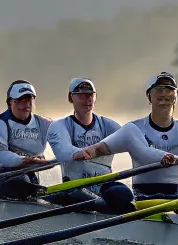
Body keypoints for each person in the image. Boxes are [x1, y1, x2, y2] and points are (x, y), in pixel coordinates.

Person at [74, 72, 178, 199]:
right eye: (158, 89)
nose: (164, 93)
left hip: (174, 197)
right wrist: (79, 154)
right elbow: (98, 149)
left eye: (169, 89)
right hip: (143, 198)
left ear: (176, 96)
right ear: (149, 95)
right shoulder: (133, 128)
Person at [46, 77, 133, 214]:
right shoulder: (59, 126)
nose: (88, 99)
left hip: (103, 187)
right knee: (80, 195)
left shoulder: (108, 125)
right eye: (82, 95)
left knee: (123, 194)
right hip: (74, 187)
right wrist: (82, 153)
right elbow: (63, 152)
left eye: (91, 95)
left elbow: (132, 140)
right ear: (71, 98)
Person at [0, 79, 53, 200]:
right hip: (5, 179)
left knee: (28, 180)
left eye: (29, 100)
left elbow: (64, 144)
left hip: (32, 180)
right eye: (20, 100)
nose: (26, 104)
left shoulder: (45, 124)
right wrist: (23, 161)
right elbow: (0, 154)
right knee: (23, 180)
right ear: (9, 102)